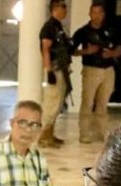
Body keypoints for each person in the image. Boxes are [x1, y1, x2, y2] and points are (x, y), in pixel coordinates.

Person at [71, 0, 121, 144]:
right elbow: (71, 51)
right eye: (94, 12)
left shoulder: (111, 30)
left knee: (103, 104)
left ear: (104, 14)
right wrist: (86, 51)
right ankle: (85, 134)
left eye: (100, 13)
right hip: (91, 70)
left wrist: (111, 53)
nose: (97, 16)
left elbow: (120, 48)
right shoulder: (82, 32)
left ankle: (102, 134)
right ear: (89, 13)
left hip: (108, 70)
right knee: (87, 102)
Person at [38, 0, 73, 148]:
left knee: (58, 103)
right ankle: (43, 137)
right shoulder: (49, 27)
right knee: (51, 102)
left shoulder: (59, 26)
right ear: (55, 9)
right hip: (55, 68)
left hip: (62, 68)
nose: (65, 10)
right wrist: (49, 71)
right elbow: (46, 49)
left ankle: (50, 134)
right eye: (63, 7)